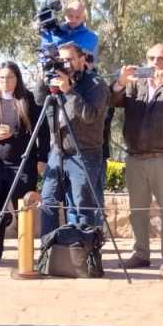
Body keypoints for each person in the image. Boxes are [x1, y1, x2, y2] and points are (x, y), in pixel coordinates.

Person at [111, 44, 163, 272]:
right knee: (137, 209)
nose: (155, 63)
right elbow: (111, 101)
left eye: (160, 59)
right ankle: (140, 254)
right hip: (135, 157)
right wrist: (120, 81)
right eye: (151, 58)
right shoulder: (134, 84)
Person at [0, 62, 49, 261]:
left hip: (22, 164)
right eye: (2, 78)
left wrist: (42, 158)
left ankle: (25, 255)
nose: (6, 82)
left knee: (22, 209)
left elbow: (43, 129)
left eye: (10, 77)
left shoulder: (28, 99)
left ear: (17, 79)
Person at [35, 42, 109, 236]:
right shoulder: (57, 80)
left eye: (69, 60)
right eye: (62, 60)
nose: (65, 64)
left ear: (82, 59)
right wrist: (44, 79)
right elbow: (39, 100)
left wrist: (68, 90)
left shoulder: (95, 84)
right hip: (58, 151)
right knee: (48, 201)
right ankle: (48, 252)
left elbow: (90, 115)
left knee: (82, 205)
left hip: (84, 152)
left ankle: (83, 256)